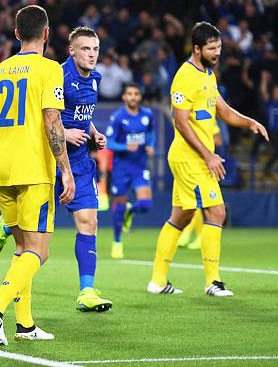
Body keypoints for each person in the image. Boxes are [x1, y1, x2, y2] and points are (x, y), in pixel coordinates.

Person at [0, 5, 74, 346]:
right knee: (40, 250)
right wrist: (66, 170)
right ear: (47, 34)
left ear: (16, 33)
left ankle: (25, 326)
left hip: (3, 172)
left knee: (23, 247)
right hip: (35, 170)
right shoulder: (50, 70)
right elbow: (52, 120)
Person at [0, 26, 114, 313]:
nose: (91, 54)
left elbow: (83, 115)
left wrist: (93, 132)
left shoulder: (94, 80)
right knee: (36, 241)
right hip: (49, 162)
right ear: (72, 50)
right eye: (85, 49)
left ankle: (87, 291)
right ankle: (5, 225)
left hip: (79, 163)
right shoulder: (57, 74)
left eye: (95, 49)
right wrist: (65, 133)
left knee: (88, 222)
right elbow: (46, 116)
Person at [148, 22, 268, 297]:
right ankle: (213, 281)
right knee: (217, 212)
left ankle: (157, 280)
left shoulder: (208, 74)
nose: (217, 53)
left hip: (195, 157)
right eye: (212, 49)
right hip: (191, 158)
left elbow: (223, 110)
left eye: (220, 48)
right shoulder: (185, 76)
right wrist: (208, 155)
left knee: (181, 216)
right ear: (197, 48)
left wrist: (249, 122)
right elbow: (180, 121)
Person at [105, 83, 155, 259]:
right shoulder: (118, 117)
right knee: (119, 205)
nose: (133, 96)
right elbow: (109, 142)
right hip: (121, 169)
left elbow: (151, 133)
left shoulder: (147, 115)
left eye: (136, 93)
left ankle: (130, 212)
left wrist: (151, 146)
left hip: (140, 166)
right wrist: (125, 146)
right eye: (129, 94)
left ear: (140, 97)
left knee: (146, 204)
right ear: (124, 97)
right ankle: (117, 242)